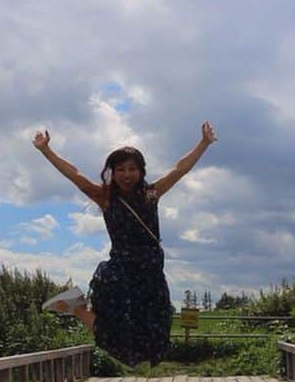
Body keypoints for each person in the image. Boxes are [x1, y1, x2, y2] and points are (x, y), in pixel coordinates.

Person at [32, 122, 217, 366]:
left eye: (132, 169)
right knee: (113, 334)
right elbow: (75, 175)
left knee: (158, 328)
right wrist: (46, 150)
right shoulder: (105, 197)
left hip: (150, 271)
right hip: (121, 271)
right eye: (120, 169)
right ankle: (78, 308)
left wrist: (203, 144)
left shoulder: (150, 194)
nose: (127, 174)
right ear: (112, 171)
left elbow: (179, 170)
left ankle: (77, 307)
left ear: (141, 172)